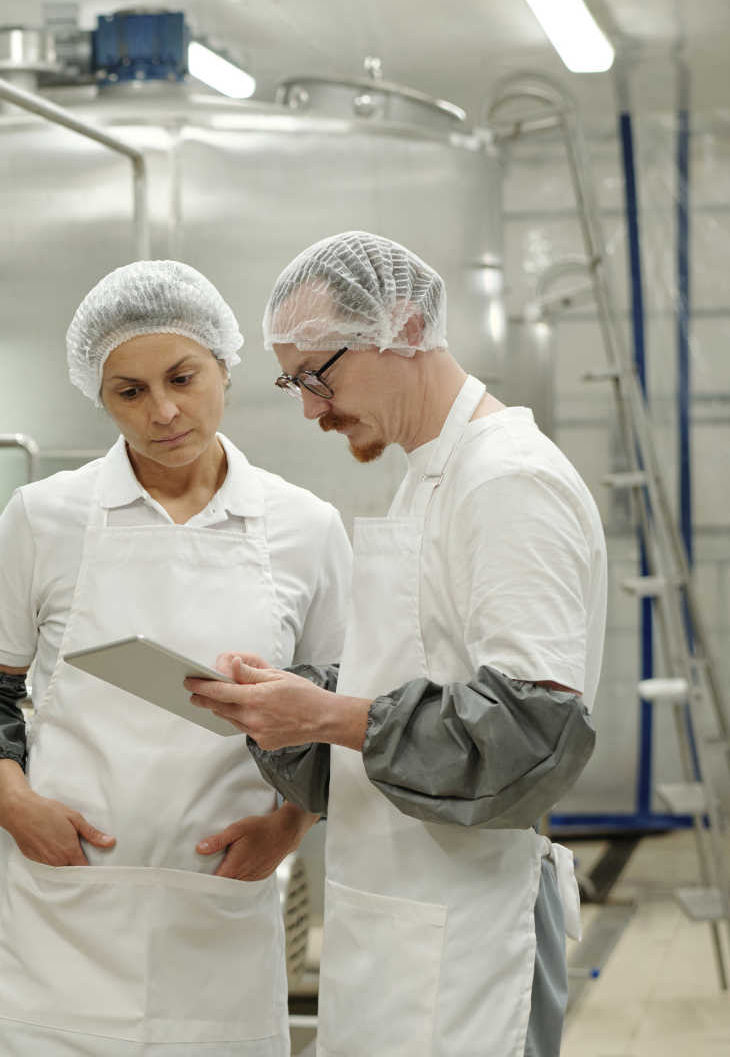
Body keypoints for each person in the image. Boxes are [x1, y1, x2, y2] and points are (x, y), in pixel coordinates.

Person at [185, 231, 602, 1057]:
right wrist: (290, 704)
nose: (309, 407)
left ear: (406, 328)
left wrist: (330, 716)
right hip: (398, 928)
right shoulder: (428, 476)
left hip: (469, 946)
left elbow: (532, 736)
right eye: (293, 381)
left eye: (319, 374)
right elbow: (421, 676)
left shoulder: (509, 480)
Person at [0, 260, 353, 1056]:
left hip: (216, 913)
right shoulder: (44, 518)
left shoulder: (306, 528)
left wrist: (290, 825)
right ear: (100, 398)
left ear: (226, 368)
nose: (163, 411)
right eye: (129, 392)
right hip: (57, 912)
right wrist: (12, 800)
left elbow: (337, 715)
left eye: (183, 376)